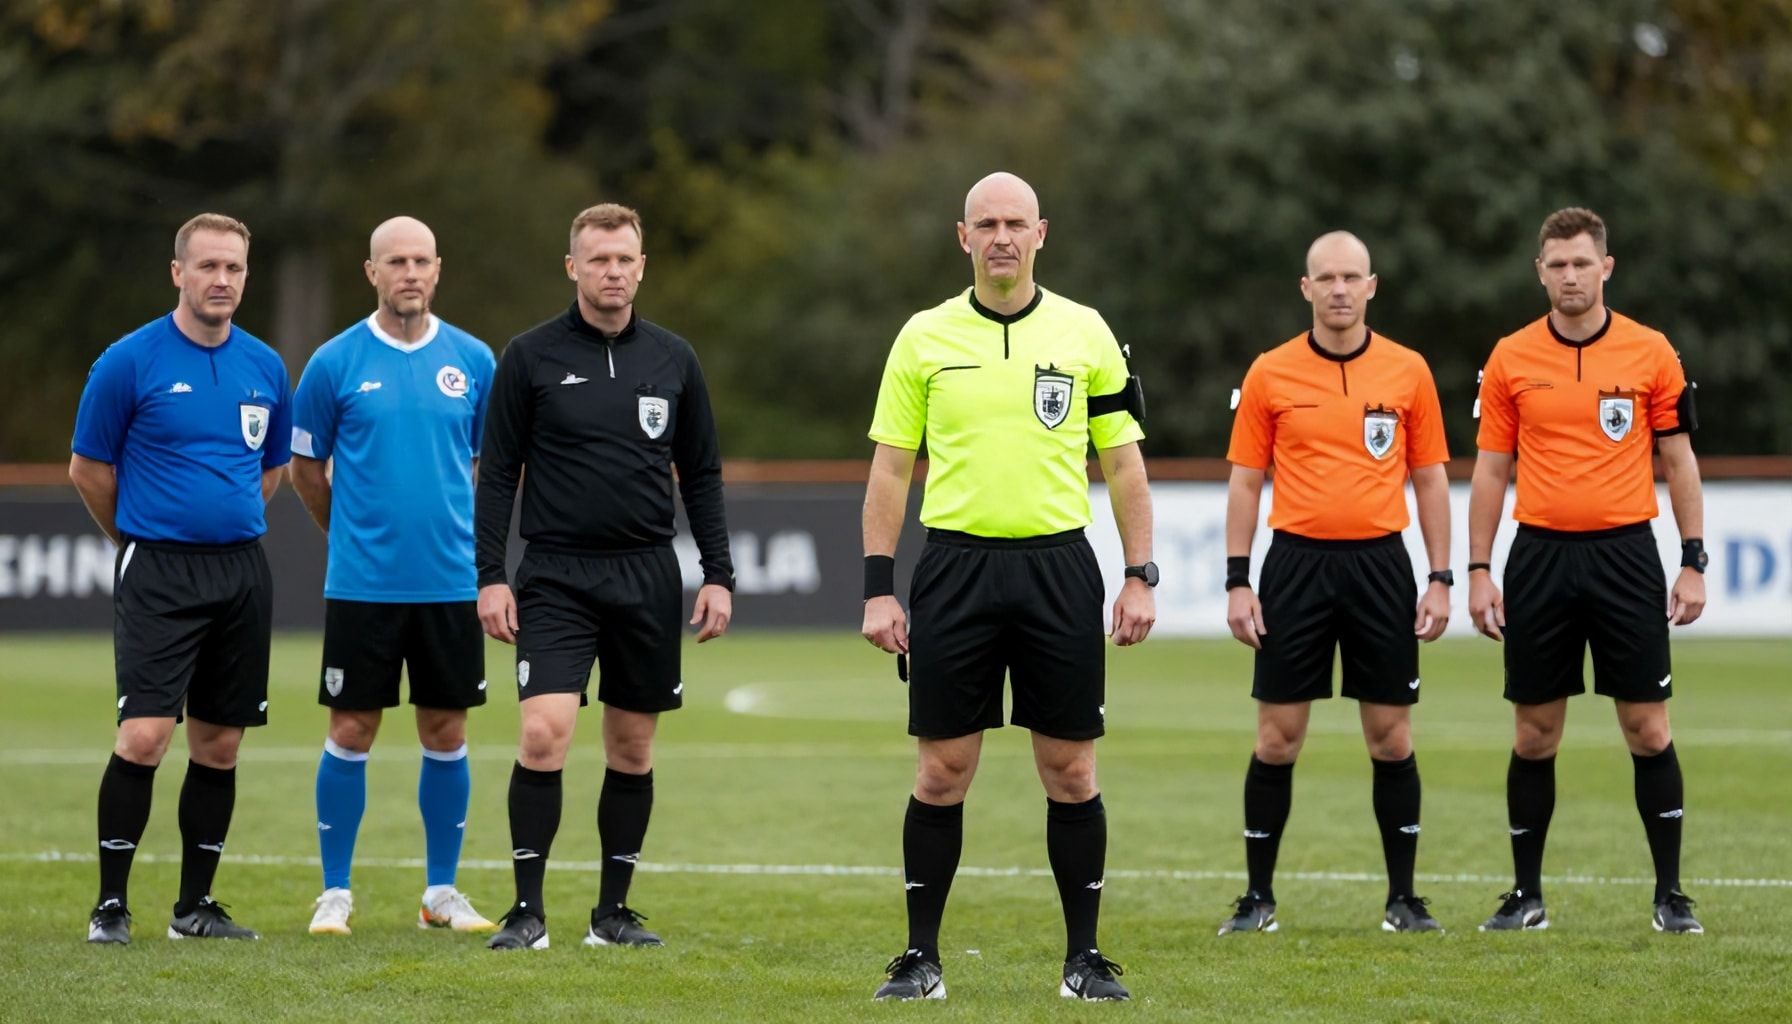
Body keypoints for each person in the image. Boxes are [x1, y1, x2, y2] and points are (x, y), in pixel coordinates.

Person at [861, 171, 1154, 1002]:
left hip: (1059, 567)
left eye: (1014, 222)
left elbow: (1124, 463)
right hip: (954, 567)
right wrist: (880, 588)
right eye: (985, 222)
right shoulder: (922, 337)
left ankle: (1084, 960)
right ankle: (921, 960)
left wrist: (1138, 575)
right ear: (963, 237)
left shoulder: (1086, 331)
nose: (1000, 235)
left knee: (1071, 771)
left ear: (1040, 233)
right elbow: (890, 469)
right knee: (942, 771)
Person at [474, 203, 734, 952]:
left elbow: (704, 474)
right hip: (554, 573)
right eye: (598, 260)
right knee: (544, 731)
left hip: (647, 574)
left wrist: (718, 574)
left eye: (624, 259)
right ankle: (527, 911)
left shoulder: (674, 359)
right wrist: (492, 575)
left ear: (641, 266)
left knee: (631, 749)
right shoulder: (528, 356)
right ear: (573, 267)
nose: (612, 272)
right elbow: (497, 480)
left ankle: (612, 914)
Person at [1469, 207, 1706, 935]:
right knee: (1535, 733)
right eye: (1556, 264)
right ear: (1540, 272)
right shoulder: (1511, 357)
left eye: (1582, 263)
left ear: (1606, 267)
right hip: (1539, 556)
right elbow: (1490, 471)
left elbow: (1678, 462)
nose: (1569, 275)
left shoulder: (1651, 352)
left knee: (1648, 727)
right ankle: (1525, 895)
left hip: (1626, 556)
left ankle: (1670, 896)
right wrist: (1478, 569)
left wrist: (1692, 560)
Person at [1218, 232, 1453, 937]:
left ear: (1372, 286)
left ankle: (1404, 900)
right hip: (1295, 565)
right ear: (1307, 287)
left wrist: (1441, 576)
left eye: (1353, 277)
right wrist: (1238, 580)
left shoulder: (1408, 371)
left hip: (1382, 565)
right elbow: (1246, 481)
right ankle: (1258, 899)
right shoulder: (1271, 372)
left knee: (1390, 736)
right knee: (1277, 737)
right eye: (1328, 278)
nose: (1341, 289)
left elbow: (1432, 477)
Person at [71, 213, 291, 943]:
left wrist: (222, 524)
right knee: (142, 737)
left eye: (233, 268)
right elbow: (89, 470)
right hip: (158, 569)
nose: (221, 280)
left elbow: (273, 469)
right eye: (207, 267)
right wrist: (141, 536)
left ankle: (194, 907)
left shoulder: (265, 365)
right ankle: (110, 905)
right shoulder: (128, 362)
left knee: (219, 746)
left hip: (240, 572)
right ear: (178, 273)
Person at [288, 217, 499, 936]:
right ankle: (335, 893)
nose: (409, 272)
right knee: (351, 727)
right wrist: (346, 533)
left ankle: (440, 893)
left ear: (438, 270)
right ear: (370, 272)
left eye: (421, 260)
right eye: (394, 261)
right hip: (362, 585)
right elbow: (305, 469)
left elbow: (487, 467)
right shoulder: (333, 362)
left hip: (449, 583)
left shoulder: (473, 360)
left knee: (446, 730)